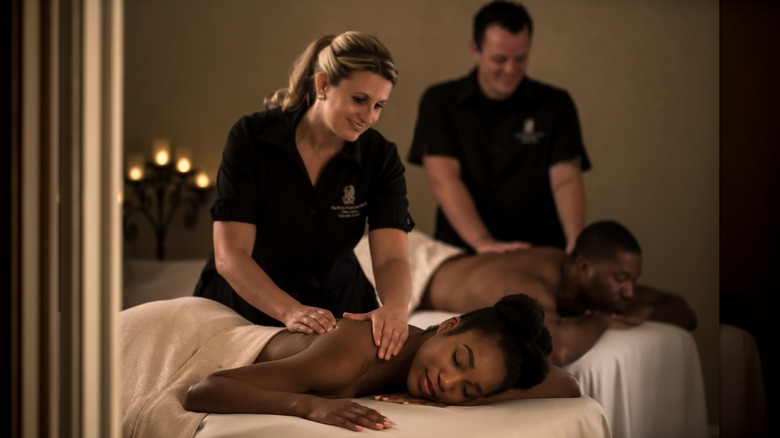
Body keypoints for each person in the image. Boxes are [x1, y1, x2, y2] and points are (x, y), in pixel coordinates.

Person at [193, 31, 415, 361]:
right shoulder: (252, 139)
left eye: (378, 105)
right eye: (359, 100)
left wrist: (395, 310)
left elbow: (391, 258)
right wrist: (291, 312)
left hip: (340, 309)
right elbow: (231, 255)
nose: (368, 117)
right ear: (323, 85)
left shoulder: (379, 158)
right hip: (244, 309)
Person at [178, 293, 580, 432]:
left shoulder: (426, 367)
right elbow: (206, 390)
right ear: (449, 324)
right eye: (459, 359)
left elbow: (567, 385)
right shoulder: (351, 354)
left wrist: (481, 391)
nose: (447, 382)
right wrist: (310, 406)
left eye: (467, 390)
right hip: (182, 339)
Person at [408, 1, 590, 255]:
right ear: (475, 49)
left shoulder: (555, 104)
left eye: (520, 58)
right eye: (499, 59)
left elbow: (566, 177)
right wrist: (484, 242)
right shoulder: (440, 102)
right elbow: (444, 179)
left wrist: (576, 245)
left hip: (540, 247)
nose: (510, 69)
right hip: (465, 252)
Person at [416, 220, 697, 366]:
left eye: (633, 281)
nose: (629, 292)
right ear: (585, 268)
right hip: (416, 270)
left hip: (449, 258)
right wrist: (603, 320)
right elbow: (557, 350)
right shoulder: (534, 283)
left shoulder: (585, 279)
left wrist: (643, 310)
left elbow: (684, 311)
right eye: (621, 279)